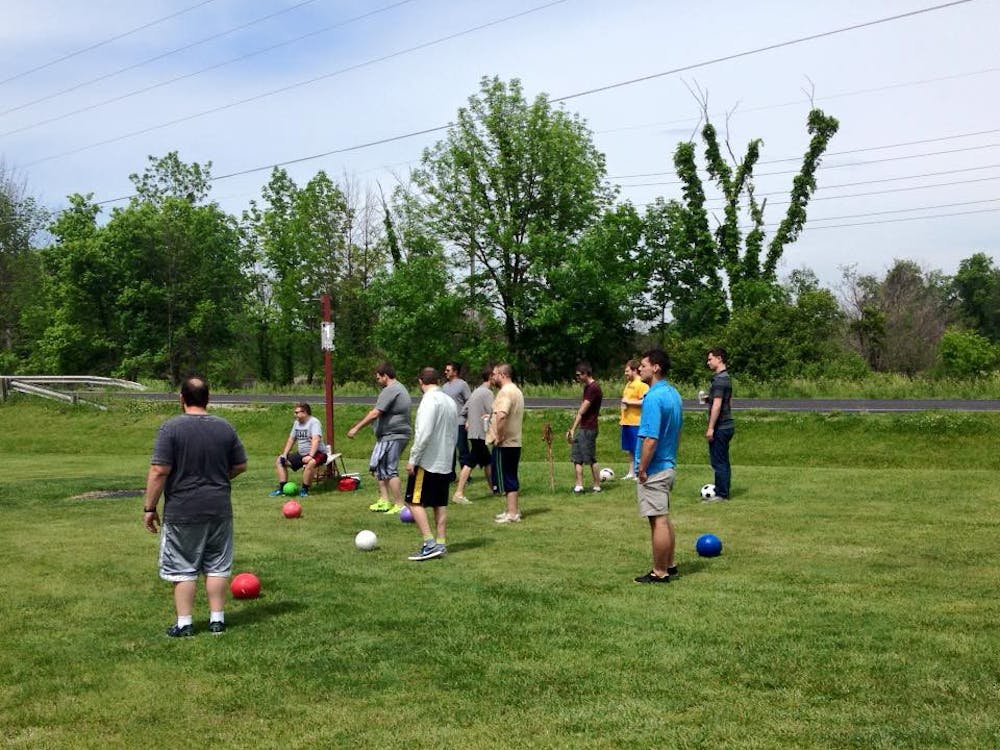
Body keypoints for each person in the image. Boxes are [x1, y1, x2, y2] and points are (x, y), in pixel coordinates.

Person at [143, 376, 248, 636]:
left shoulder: (171, 428)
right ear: (208, 399)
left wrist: (149, 507)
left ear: (182, 399)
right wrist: (218, 479)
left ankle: (185, 624)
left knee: (182, 566)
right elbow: (240, 465)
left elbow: (159, 470)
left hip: (183, 509)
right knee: (217, 565)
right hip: (219, 507)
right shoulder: (225, 427)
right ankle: (217, 620)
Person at [633, 349, 683, 584]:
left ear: (656, 368)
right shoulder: (673, 394)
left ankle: (659, 571)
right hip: (668, 463)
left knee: (658, 520)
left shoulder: (653, 397)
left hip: (655, 468)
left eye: (643, 365)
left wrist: (642, 468)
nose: (639, 369)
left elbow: (650, 439)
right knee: (663, 516)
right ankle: (670, 564)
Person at [404, 367, 459, 561]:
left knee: (412, 501)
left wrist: (413, 459)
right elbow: (454, 432)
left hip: (428, 461)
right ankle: (441, 543)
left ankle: (429, 543)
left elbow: (424, 433)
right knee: (439, 503)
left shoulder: (429, 401)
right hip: (445, 460)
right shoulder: (450, 401)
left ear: (421, 382)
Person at [346, 362, 412, 515]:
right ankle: (384, 500)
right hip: (387, 436)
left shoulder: (392, 389)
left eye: (378, 378)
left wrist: (356, 428)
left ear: (385, 376)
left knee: (390, 469)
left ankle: (399, 504)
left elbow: (375, 413)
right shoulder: (397, 388)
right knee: (379, 467)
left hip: (393, 436)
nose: (377, 381)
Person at [488, 363, 525, 524]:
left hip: (506, 443)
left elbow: (501, 415)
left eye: (495, 374)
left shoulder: (505, 392)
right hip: (515, 441)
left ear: (503, 375)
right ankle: (512, 510)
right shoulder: (516, 390)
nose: (493, 377)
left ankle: (512, 513)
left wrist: (499, 436)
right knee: (511, 475)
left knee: (507, 478)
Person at [453, 365, 495, 503]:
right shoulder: (487, 393)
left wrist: (468, 420)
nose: (497, 377)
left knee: (488, 461)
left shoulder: (476, 392)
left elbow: (464, 410)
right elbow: (494, 412)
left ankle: (493, 489)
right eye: (495, 375)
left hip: (474, 433)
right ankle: (458, 493)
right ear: (490, 377)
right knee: (470, 461)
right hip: (480, 434)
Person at [269, 402, 326, 497]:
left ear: (305, 412)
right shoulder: (296, 423)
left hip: (318, 453)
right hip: (302, 453)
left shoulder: (314, 422)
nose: (295, 415)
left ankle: (304, 490)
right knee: (280, 461)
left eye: (297, 412)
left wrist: (310, 456)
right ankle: (282, 488)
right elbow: (291, 439)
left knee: (310, 462)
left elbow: (316, 440)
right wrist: (284, 454)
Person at [567, 361, 603, 494]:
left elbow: (582, 410)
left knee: (590, 457)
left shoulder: (594, 388)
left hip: (589, 428)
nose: (577, 378)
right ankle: (579, 485)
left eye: (578, 375)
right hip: (583, 428)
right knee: (577, 457)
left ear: (586, 373)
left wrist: (572, 429)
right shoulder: (587, 387)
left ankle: (597, 485)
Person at [705, 347, 734, 502]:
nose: (708, 362)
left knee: (719, 461)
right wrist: (707, 399)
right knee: (722, 460)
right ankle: (722, 489)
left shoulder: (719, 379)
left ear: (719, 359)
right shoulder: (726, 378)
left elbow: (717, 405)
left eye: (710, 359)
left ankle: (722, 494)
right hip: (728, 424)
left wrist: (711, 428)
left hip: (721, 426)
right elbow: (724, 401)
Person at [441, 360, 472, 478]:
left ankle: (466, 475)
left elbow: (469, 401)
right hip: (448, 423)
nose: (445, 372)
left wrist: (468, 419)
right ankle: (450, 474)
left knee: (462, 449)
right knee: (449, 450)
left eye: (448, 370)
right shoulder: (444, 386)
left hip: (460, 422)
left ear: (455, 372)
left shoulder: (462, 384)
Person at [619, 359, 649, 480]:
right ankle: (631, 472)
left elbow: (645, 401)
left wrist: (629, 402)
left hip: (636, 422)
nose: (625, 374)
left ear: (634, 370)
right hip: (626, 421)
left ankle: (639, 471)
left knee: (638, 448)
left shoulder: (641, 384)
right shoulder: (628, 384)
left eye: (627, 371)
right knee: (630, 449)